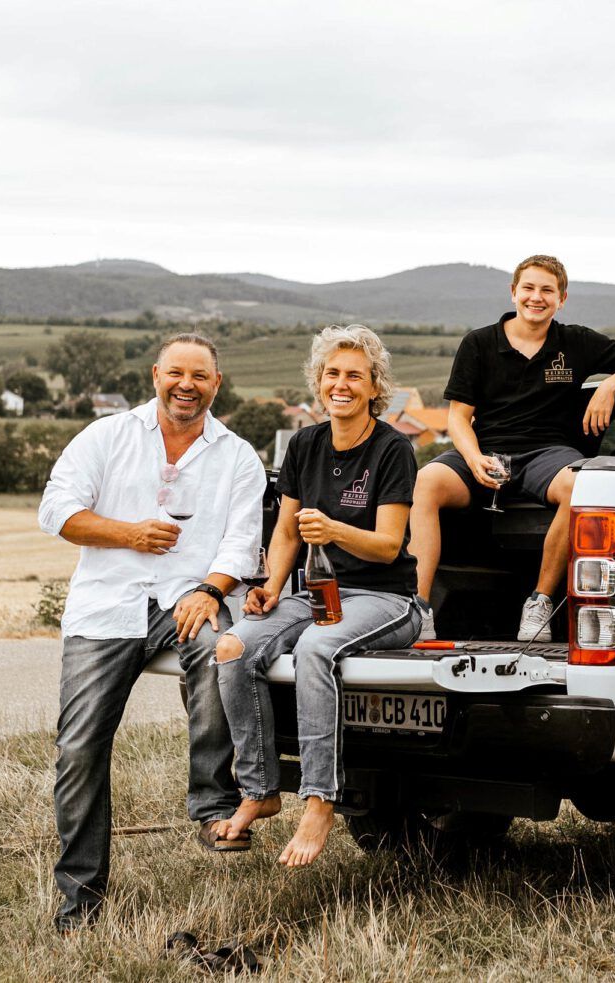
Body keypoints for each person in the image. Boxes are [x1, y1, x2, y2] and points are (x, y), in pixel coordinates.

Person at [36, 333, 265, 933]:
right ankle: (80, 898)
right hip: (106, 606)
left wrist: (211, 589)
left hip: (186, 599)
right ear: (155, 374)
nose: (186, 385)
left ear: (217, 384)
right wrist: (128, 535)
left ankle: (211, 803)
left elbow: (242, 542)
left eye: (200, 376)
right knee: (80, 748)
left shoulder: (237, 455)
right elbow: (57, 511)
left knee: (222, 648)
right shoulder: (107, 436)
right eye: (176, 373)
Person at [211, 325, 422, 867]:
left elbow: (388, 545)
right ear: (318, 381)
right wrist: (271, 587)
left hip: (388, 600)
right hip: (316, 594)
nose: (341, 385)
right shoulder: (305, 443)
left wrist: (333, 530)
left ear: (375, 386)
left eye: (355, 375)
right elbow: (284, 532)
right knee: (234, 647)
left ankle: (320, 799)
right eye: (332, 374)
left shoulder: (393, 448)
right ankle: (259, 789)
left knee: (314, 650)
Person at [409, 254, 615, 642]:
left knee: (582, 486)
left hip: (548, 454)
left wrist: (610, 386)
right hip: (486, 450)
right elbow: (458, 419)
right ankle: (418, 610)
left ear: (562, 299)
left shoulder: (576, 341)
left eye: (547, 290)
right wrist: (474, 458)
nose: (537, 297)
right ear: (514, 293)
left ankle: (539, 603)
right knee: (425, 481)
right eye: (528, 288)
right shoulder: (478, 343)